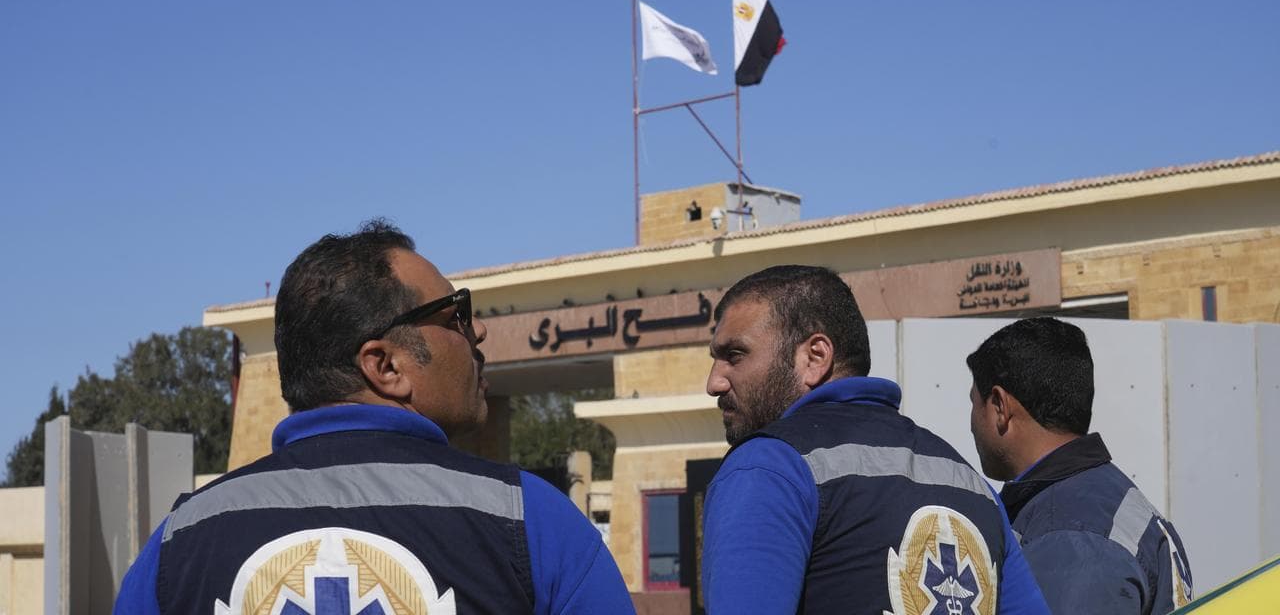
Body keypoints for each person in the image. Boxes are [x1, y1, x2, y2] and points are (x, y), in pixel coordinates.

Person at [114, 220, 634, 615]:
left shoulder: (180, 541)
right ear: (385, 365)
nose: (477, 334)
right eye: (456, 314)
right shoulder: (528, 521)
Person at [701, 265, 1049, 614]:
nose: (714, 382)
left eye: (735, 355)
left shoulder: (768, 467)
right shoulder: (968, 482)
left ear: (815, 357)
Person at [966, 317, 1193, 614]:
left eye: (973, 403)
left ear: (999, 406)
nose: (971, 425)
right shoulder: (1106, 502)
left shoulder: (1068, 535)